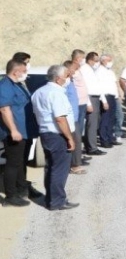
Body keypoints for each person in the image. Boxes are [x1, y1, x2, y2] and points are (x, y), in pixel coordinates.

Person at [31, 65, 79, 211]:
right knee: (59, 169)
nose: (68, 78)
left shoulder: (38, 92)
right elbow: (60, 118)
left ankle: (50, 198)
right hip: (57, 135)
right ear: (58, 79)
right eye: (66, 75)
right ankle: (57, 202)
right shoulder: (56, 93)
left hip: (46, 133)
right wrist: (69, 138)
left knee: (50, 168)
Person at [0, 60, 36, 206]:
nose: (25, 74)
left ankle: (21, 189)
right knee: (13, 164)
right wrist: (14, 130)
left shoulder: (18, 85)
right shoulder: (5, 86)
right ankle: (10, 196)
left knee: (21, 161)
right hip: (14, 132)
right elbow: (4, 109)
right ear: (16, 72)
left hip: (24, 130)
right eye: (24, 71)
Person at [80, 52, 106, 156]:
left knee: (94, 123)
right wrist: (88, 102)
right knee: (92, 124)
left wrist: (102, 100)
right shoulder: (84, 70)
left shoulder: (91, 70)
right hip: (90, 98)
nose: (98, 62)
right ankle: (92, 148)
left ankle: (90, 145)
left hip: (95, 98)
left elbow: (97, 86)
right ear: (90, 60)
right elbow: (85, 88)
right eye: (96, 60)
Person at [63, 60, 86, 175]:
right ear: (68, 69)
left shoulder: (70, 81)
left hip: (75, 116)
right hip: (69, 118)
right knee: (74, 140)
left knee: (77, 139)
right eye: (73, 69)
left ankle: (76, 162)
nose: (75, 71)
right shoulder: (65, 83)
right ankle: (74, 165)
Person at [70, 49, 92, 165]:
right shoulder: (71, 70)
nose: (83, 60)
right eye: (82, 58)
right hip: (77, 105)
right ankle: (75, 159)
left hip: (82, 103)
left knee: (80, 132)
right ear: (78, 58)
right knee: (76, 133)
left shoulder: (79, 69)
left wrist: (88, 102)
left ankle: (79, 155)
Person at [95, 54, 118, 147]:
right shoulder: (99, 72)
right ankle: (104, 140)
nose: (110, 62)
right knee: (105, 119)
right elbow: (99, 87)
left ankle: (110, 137)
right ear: (103, 61)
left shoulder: (110, 71)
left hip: (112, 96)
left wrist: (117, 96)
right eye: (108, 60)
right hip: (105, 97)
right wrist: (104, 100)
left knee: (111, 119)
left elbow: (113, 84)